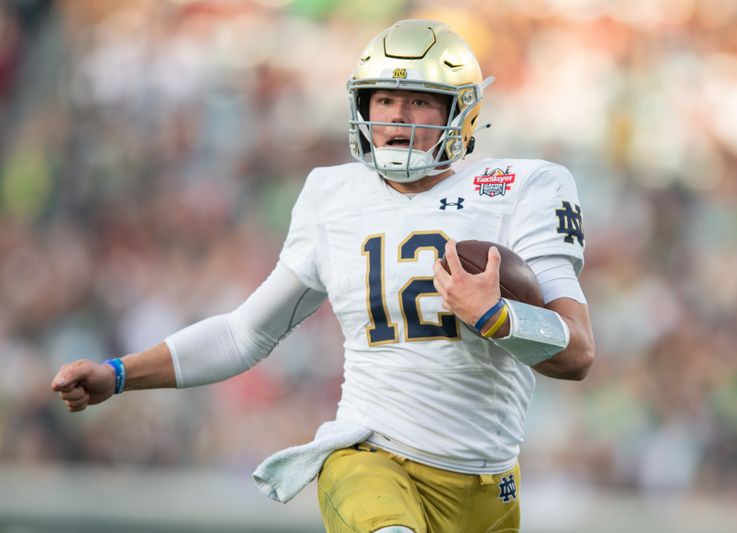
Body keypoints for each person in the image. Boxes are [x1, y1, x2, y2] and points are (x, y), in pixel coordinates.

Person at [52, 19, 595, 533]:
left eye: (419, 102)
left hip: (488, 484)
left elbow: (577, 353)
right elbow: (246, 333)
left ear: (461, 112)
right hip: (372, 458)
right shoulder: (331, 195)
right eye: (383, 100)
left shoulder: (523, 187)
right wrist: (118, 373)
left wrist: (497, 318)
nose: (396, 118)